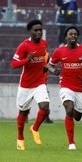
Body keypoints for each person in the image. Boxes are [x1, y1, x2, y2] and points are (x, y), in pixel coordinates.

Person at [47, 26, 82, 150]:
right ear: (66, 37)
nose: (73, 36)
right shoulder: (59, 51)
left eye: (75, 34)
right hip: (65, 86)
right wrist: (54, 70)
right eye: (70, 34)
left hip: (79, 88)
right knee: (69, 109)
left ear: (77, 37)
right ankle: (71, 143)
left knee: (77, 117)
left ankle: (72, 115)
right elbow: (49, 65)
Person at [11, 20, 50, 151]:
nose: (39, 32)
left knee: (45, 107)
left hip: (39, 83)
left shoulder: (44, 43)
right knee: (23, 111)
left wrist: (47, 68)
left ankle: (34, 128)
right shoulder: (24, 46)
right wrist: (27, 59)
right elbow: (14, 64)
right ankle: (20, 138)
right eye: (36, 30)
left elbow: (44, 59)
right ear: (30, 32)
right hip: (26, 85)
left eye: (40, 30)